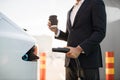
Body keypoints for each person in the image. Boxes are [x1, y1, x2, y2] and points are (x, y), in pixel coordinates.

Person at [48, 0, 106, 79]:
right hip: (70, 62)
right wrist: (56, 31)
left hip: (88, 61)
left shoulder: (96, 2)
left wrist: (79, 49)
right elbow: (69, 36)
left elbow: (100, 32)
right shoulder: (70, 11)